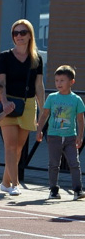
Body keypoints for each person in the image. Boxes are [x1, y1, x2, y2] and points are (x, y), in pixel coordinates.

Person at [0, 19, 44, 196]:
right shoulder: (5, 57)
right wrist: (4, 102)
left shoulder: (36, 59)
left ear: (30, 35)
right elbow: (0, 82)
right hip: (9, 104)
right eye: (15, 33)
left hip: (28, 104)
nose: (19, 36)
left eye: (23, 33)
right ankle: (15, 184)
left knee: (18, 148)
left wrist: (43, 111)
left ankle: (5, 182)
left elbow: (39, 86)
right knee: (10, 145)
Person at [35, 65, 85, 200]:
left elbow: (80, 119)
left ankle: (77, 190)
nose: (59, 83)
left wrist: (80, 136)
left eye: (62, 80)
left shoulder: (76, 100)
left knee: (74, 163)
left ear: (71, 82)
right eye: (57, 80)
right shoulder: (52, 98)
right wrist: (39, 130)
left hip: (70, 137)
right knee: (53, 164)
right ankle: (53, 190)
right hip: (53, 136)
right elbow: (44, 115)